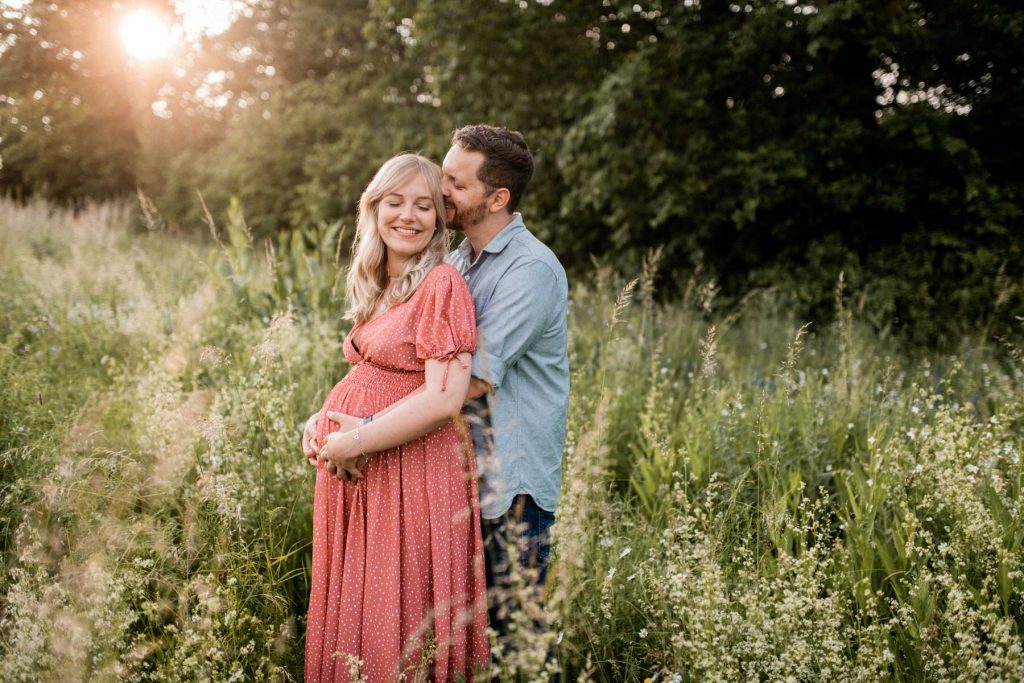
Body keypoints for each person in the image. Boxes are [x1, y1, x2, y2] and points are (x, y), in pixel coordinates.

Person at [302, 153, 489, 682]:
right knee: (358, 602)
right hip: (361, 468)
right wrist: (322, 422)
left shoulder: (442, 285)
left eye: (424, 206)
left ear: (438, 220)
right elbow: (372, 375)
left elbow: (443, 398)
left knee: (396, 610)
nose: (408, 216)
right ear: (374, 208)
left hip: (412, 473)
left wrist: (357, 438)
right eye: (395, 202)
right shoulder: (380, 284)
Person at [440, 125, 569, 634]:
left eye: (455, 183)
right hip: (462, 478)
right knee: (472, 641)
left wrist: (369, 424)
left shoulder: (531, 270)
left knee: (518, 641)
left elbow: (468, 382)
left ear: (498, 198)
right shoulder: (457, 261)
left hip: (511, 490)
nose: (440, 191)